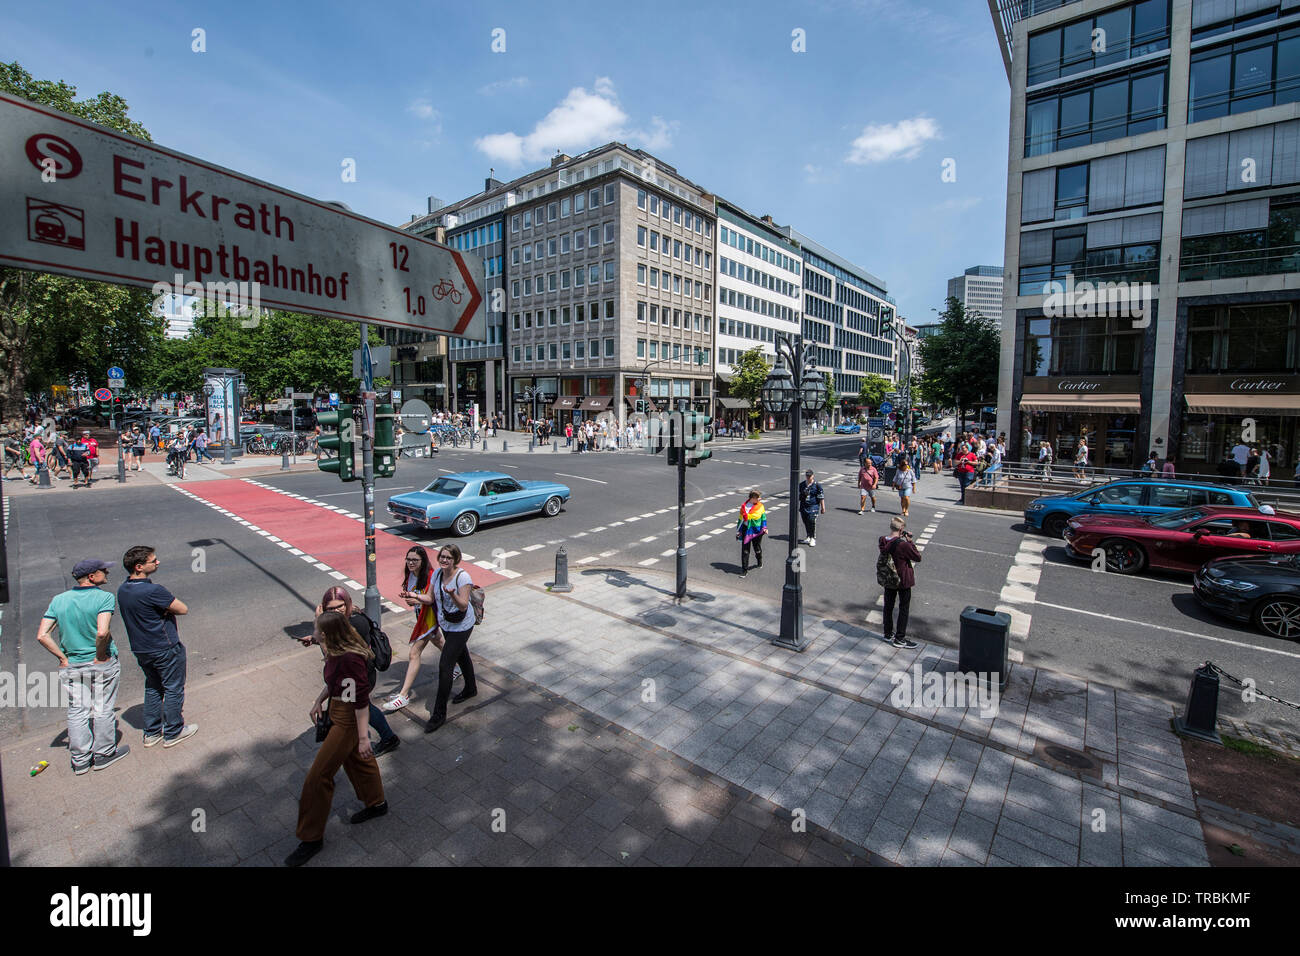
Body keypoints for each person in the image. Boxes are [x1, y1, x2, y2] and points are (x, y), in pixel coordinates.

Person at [285, 611, 387, 867]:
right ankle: (377, 804)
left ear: (328, 635)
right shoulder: (335, 649)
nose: (314, 632)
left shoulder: (349, 659)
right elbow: (335, 682)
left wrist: (364, 738)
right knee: (355, 761)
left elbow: (361, 702)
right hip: (338, 709)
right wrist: (319, 700)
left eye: (317, 629)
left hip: (348, 717)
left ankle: (311, 838)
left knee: (318, 777)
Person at [35, 558, 132, 773]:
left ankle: (80, 760)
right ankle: (104, 753)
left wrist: (62, 658)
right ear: (91, 577)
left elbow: (42, 635)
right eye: (102, 570)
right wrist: (100, 655)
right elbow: (102, 631)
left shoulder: (59, 600)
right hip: (99, 662)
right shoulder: (104, 597)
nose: (106, 572)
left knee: (77, 710)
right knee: (102, 707)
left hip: (71, 664)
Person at [117, 546, 198, 747]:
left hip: (141, 649)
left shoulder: (123, 589)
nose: (157, 562)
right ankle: (173, 731)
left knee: (153, 687)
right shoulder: (153, 591)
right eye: (153, 560)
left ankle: (151, 732)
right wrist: (164, 611)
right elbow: (182, 608)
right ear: (139, 567)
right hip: (164, 647)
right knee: (173, 688)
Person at [306, 587, 400, 758]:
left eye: (340, 606)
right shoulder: (342, 623)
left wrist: (319, 629)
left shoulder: (355, 623)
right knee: (351, 709)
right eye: (330, 609)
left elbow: (330, 656)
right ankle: (382, 739)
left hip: (360, 675)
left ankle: (384, 739)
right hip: (348, 677)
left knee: (355, 708)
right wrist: (315, 638)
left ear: (347, 603)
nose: (336, 611)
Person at [424, 544, 478, 733]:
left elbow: (463, 605)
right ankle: (471, 688)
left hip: (462, 625)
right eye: (442, 557)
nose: (444, 560)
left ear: (456, 560)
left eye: (448, 557)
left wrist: (452, 593)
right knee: (462, 655)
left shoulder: (463, 577)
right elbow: (429, 598)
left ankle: (439, 713)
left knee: (445, 665)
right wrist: (414, 597)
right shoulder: (437, 574)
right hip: (446, 623)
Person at [381, 546, 441, 712]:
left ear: (423, 561)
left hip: (429, 619)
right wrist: (411, 599)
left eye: (415, 560)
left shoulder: (430, 575)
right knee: (439, 642)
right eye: (408, 559)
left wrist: (417, 599)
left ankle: (403, 695)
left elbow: (430, 599)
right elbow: (413, 597)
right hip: (420, 616)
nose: (411, 563)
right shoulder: (411, 575)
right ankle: (461, 664)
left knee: (414, 654)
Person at [878, 517, 921, 649]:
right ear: (901, 529)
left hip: (889, 578)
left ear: (891, 527)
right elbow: (917, 557)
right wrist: (910, 542)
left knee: (888, 606)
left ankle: (887, 633)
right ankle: (899, 638)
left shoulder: (882, 540)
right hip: (903, 580)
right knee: (903, 608)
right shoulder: (903, 545)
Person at [735, 489, 767, 577]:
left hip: (756, 530)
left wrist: (764, 527)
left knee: (757, 548)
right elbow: (740, 520)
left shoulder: (760, 506)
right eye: (758, 498)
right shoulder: (744, 506)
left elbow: (763, 517)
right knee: (745, 550)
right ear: (753, 498)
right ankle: (744, 570)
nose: (760, 499)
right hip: (746, 529)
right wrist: (738, 531)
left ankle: (759, 560)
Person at [797, 469, 825, 547]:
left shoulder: (817, 485)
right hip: (804, 506)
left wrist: (823, 507)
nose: (808, 477)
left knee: (811, 520)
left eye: (810, 476)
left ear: (813, 476)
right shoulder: (802, 485)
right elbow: (798, 496)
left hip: (814, 506)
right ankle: (808, 536)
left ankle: (812, 538)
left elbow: (821, 497)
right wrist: (802, 494)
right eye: (807, 476)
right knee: (805, 521)